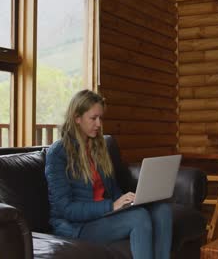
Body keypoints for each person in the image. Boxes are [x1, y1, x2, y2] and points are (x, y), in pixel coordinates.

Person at [45, 89, 173, 259]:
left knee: (162, 210)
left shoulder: (99, 147)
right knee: (138, 218)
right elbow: (66, 209)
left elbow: (112, 192)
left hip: (103, 216)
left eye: (100, 118)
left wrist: (128, 202)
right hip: (77, 226)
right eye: (93, 118)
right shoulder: (58, 153)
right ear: (77, 117)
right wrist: (112, 206)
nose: (98, 124)